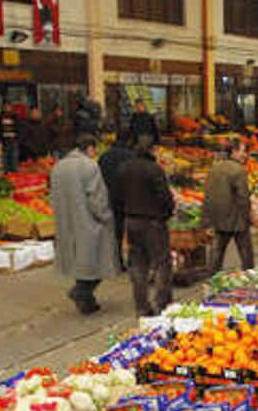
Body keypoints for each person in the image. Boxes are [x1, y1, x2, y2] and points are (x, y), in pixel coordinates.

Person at [51, 135, 118, 315]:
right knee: (98, 263)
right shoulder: (90, 166)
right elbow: (97, 198)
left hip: (67, 222)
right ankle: (80, 292)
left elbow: (53, 197)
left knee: (80, 263)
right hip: (88, 222)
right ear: (90, 148)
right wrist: (106, 216)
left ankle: (87, 301)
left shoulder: (58, 167)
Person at [119, 142, 175, 316]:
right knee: (161, 262)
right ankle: (162, 303)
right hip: (153, 222)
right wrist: (167, 213)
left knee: (137, 263)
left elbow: (117, 195)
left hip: (131, 220)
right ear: (152, 150)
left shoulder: (124, 168)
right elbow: (164, 196)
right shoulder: (154, 169)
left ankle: (141, 305)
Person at [203, 139, 254, 271]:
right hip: (236, 218)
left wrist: (207, 219)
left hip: (217, 217)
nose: (246, 155)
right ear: (234, 152)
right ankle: (249, 275)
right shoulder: (238, 170)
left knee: (217, 252)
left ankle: (212, 277)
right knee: (246, 253)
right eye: (243, 151)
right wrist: (248, 216)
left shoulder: (214, 168)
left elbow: (207, 194)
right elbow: (243, 197)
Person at [98, 132, 135, 269]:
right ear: (129, 141)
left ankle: (116, 259)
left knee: (115, 230)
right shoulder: (131, 156)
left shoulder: (104, 156)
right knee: (131, 230)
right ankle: (131, 260)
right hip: (128, 197)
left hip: (109, 196)